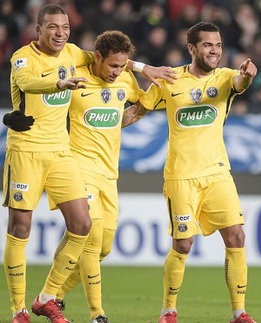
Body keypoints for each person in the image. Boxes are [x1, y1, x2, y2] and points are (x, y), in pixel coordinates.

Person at [2, 4, 175, 323]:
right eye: (53, 27)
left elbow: (110, 56)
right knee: (20, 227)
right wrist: (57, 84)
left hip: (60, 153)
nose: (60, 33)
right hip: (26, 150)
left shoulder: (73, 55)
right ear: (38, 29)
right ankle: (19, 311)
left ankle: (48, 296)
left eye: (65, 27)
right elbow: (25, 81)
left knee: (83, 226)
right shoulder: (23, 57)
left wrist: (142, 68)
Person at [122, 21, 258, 323]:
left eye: (218, 45)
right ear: (192, 48)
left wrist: (247, 76)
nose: (215, 51)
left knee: (236, 236)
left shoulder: (225, 78)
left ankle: (239, 313)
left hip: (218, 174)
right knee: (183, 244)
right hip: (181, 176)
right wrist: (106, 122)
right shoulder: (169, 80)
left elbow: (240, 83)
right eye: (208, 45)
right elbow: (138, 111)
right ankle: (168, 310)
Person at [47, 30, 146, 323]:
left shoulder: (126, 80)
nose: (117, 72)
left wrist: (129, 116)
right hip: (78, 167)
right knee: (92, 237)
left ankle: (54, 295)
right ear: (98, 57)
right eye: (113, 66)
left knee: (104, 247)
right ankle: (98, 314)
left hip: (108, 173)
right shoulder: (75, 77)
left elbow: (130, 111)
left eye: (122, 66)